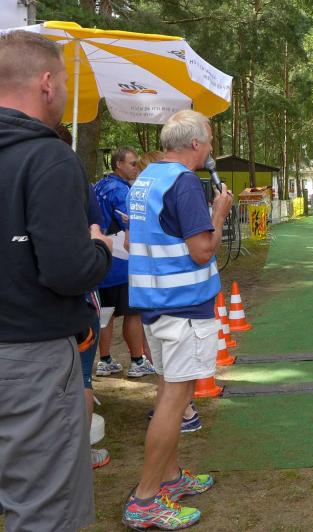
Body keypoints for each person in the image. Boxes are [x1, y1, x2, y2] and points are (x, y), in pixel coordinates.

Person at [0, 30, 112, 531]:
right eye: (64, 82)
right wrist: (99, 247)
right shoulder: (48, 157)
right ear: (47, 83)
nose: (65, 92)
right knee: (45, 510)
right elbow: (68, 270)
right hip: (31, 358)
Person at [123, 110, 233, 529]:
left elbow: (136, 238)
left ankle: (169, 477)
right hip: (183, 305)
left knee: (170, 393)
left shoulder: (146, 178)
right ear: (195, 144)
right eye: (209, 141)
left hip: (155, 303)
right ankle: (146, 498)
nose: (211, 149)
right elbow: (202, 251)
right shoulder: (184, 182)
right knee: (176, 400)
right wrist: (219, 212)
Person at [54, 123, 110, 470]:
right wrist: (100, 246)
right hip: (78, 295)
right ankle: (80, 455)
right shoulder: (73, 179)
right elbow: (96, 229)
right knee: (83, 376)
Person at [94, 146, 155, 379]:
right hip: (121, 261)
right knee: (133, 313)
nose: (136, 167)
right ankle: (137, 361)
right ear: (118, 164)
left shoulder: (99, 185)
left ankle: (105, 360)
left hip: (101, 257)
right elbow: (131, 230)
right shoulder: (122, 191)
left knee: (106, 313)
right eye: (132, 163)